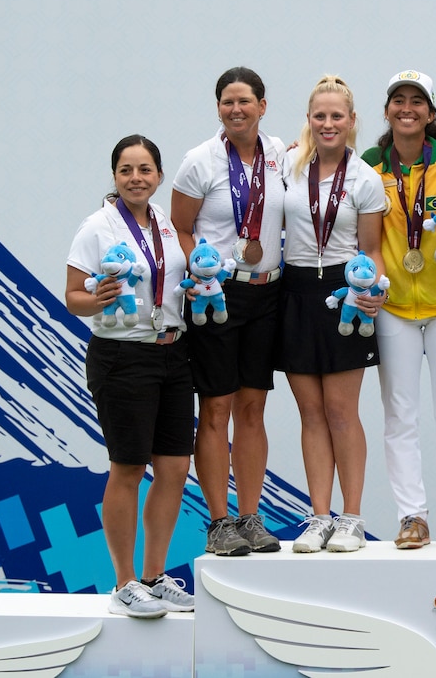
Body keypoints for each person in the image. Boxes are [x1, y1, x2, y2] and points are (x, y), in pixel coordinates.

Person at [66, 135, 195, 618]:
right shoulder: (97, 226)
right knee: (127, 468)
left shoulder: (165, 222)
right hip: (121, 357)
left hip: (173, 355)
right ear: (115, 177)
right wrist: (94, 297)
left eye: (145, 169)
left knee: (175, 469)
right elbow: (72, 297)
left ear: (159, 175)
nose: (136, 178)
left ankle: (154, 576)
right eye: (126, 170)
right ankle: (123, 582)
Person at [170, 67, 287, 556]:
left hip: (267, 294)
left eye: (244, 101)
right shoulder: (200, 161)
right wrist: (199, 277)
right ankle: (220, 522)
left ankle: (251, 517)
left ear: (263, 105)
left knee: (253, 409)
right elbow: (178, 226)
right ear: (218, 108)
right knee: (216, 408)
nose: (235, 110)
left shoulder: (282, 154)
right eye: (226, 102)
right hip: (217, 296)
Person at [360, 70, 436, 550]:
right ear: (387, 111)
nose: (407, 108)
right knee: (399, 416)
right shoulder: (369, 163)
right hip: (393, 309)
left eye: (417, 101)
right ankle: (412, 516)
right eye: (398, 101)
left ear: (430, 112)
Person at [279, 75, 386, 554]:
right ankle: (318, 515)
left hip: (345, 293)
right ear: (308, 121)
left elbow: (373, 250)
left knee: (342, 412)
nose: (327, 124)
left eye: (336, 116)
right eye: (319, 116)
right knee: (311, 412)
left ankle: (352, 518)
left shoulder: (364, 178)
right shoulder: (287, 168)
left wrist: (375, 292)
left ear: (351, 121)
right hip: (297, 291)